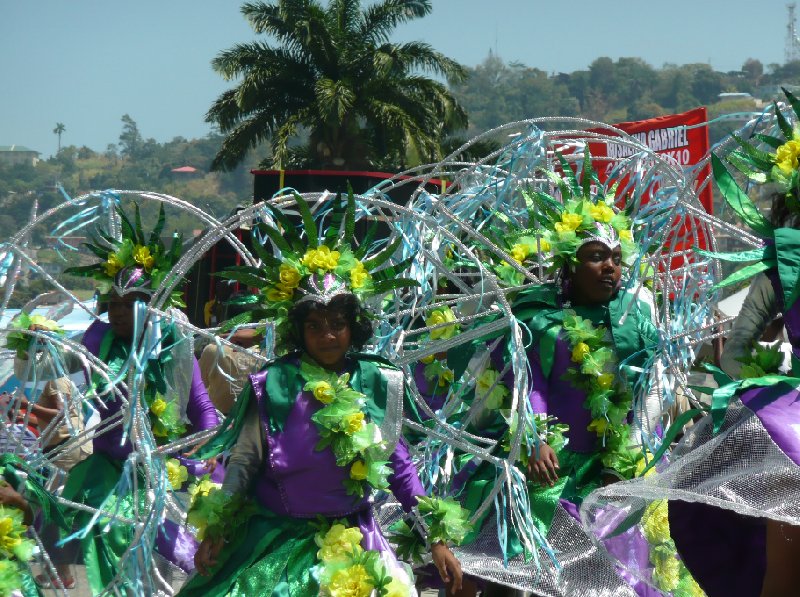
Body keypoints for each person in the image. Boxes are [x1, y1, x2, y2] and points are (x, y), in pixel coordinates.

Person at [178, 194, 465, 597]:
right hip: (276, 544)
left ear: (354, 325)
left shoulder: (378, 380)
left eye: (337, 323)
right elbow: (243, 462)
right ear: (298, 331)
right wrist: (218, 529)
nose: (328, 335)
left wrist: (436, 540)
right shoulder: (273, 383)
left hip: (355, 544)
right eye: (314, 325)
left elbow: (399, 467)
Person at [199, 293, 265, 415]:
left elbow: (199, 388)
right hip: (256, 424)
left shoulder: (213, 349)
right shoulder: (267, 351)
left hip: (218, 424)